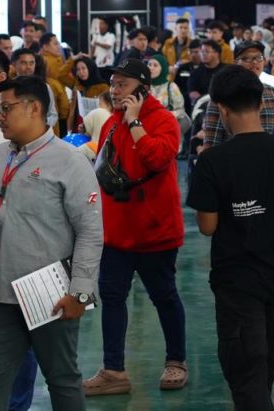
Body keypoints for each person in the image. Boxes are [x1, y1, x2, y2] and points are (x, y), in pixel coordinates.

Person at [187, 65, 274, 410]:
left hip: (236, 280)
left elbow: (207, 226)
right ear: (260, 103)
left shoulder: (212, 161)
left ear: (221, 109)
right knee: (265, 364)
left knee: (245, 372)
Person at [0, 76, 103, 411]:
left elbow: (90, 231)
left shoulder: (69, 160)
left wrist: (80, 293)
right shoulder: (0, 155)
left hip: (50, 294)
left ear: (34, 108)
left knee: (61, 378)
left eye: (6, 108)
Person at [83, 58, 187, 395]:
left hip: (155, 232)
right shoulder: (112, 122)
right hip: (116, 232)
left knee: (164, 296)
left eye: (122, 84)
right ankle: (113, 371)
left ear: (142, 89)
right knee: (112, 297)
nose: (114, 90)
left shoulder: (164, 120)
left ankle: (176, 361)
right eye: (113, 84)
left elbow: (157, 157)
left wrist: (136, 122)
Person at [200, 42, 274, 151]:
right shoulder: (223, 93)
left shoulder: (272, 92)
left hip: (269, 156)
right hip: (232, 157)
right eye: (246, 59)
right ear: (235, 63)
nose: (254, 62)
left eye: (258, 57)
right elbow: (211, 143)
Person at [11, 48, 64, 136]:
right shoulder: (8, 88)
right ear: (14, 65)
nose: (28, 67)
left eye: (32, 63)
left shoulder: (44, 87)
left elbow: (53, 114)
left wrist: (41, 127)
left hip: (40, 135)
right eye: (24, 63)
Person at [67, 57, 110, 133]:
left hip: (97, 127)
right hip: (79, 126)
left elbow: (108, 110)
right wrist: (72, 59)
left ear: (90, 68)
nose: (81, 72)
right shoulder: (77, 86)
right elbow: (72, 111)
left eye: (83, 68)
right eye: (78, 69)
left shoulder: (103, 87)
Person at [188, 40, 224, 104]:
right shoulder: (195, 73)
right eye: (202, 52)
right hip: (203, 105)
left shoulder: (226, 70)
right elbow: (193, 93)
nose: (203, 54)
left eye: (207, 51)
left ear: (217, 53)